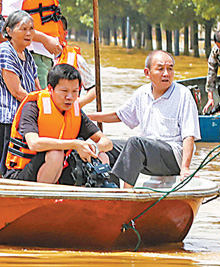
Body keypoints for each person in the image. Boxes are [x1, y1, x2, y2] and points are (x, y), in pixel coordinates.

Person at [87, 50, 201, 187]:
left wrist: (185, 168)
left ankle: (126, 194)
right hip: (147, 154)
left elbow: (189, 135)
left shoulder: (183, 94)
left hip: (173, 157)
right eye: (160, 69)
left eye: (170, 69)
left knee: (135, 143)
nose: (166, 74)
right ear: (147, 73)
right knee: (108, 146)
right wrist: (87, 117)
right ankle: (112, 189)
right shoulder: (142, 93)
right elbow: (119, 115)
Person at [3, 64, 112, 184]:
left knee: (102, 155)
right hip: (23, 173)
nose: (69, 97)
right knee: (56, 154)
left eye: (74, 91)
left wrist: (93, 149)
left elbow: (107, 142)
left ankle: (95, 194)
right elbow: (34, 143)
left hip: (60, 170)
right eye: (64, 91)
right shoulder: (32, 107)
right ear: (50, 89)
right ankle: (42, 199)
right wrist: (75, 144)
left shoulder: (75, 111)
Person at [0, 10, 40, 175]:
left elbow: (37, 87)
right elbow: (17, 91)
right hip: (8, 119)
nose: (29, 33)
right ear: (9, 31)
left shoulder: (28, 55)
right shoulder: (5, 51)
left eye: (31, 29)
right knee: (5, 167)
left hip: (25, 116)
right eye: (23, 29)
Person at [54, 16, 96, 108]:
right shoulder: (33, 57)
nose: (52, 36)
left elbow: (93, 89)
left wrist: (77, 105)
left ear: (64, 34)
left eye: (56, 32)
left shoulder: (76, 59)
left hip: (69, 112)